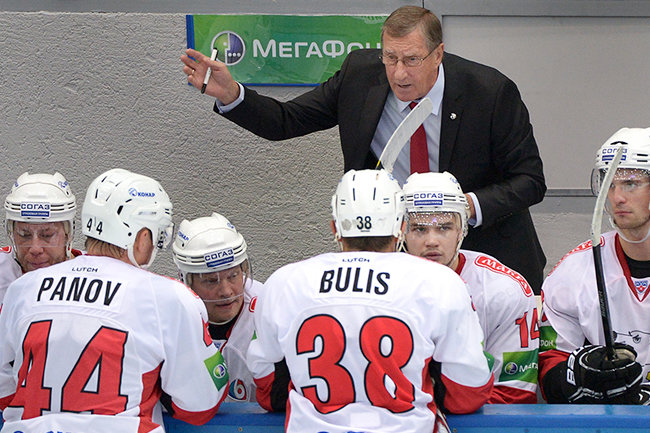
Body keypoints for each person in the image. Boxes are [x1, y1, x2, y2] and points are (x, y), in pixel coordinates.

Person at [181, 5, 547, 293]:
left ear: (438, 55)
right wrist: (232, 95)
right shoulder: (360, 75)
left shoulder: (489, 92)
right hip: (393, 259)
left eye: (412, 60)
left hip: (483, 256)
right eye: (390, 58)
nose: (399, 73)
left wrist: (462, 208)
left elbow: (530, 180)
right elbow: (286, 121)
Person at [246, 169, 493, 432]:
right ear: (401, 227)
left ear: (335, 228)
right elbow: (466, 392)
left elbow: (269, 389)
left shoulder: (284, 282)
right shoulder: (440, 281)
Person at [0, 168, 228, 432]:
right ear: (143, 236)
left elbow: (4, 388)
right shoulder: (169, 297)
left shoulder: (23, 288)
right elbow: (198, 405)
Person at [402, 171, 539, 403]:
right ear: (401, 232)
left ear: (462, 230)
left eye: (444, 228)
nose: (431, 241)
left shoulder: (505, 290)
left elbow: (514, 395)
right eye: (419, 229)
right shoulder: (379, 288)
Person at [539, 127, 650, 404]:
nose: (617, 197)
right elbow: (550, 365)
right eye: (609, 184)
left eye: (631, 183)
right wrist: (577, 377)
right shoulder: (573, 271)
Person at [172, 212, 288, 408]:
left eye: (233, 276)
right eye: (211, 281)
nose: (226, 291)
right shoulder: (169, 316)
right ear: (186, 281)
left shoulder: (270, 310)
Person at [0, 172, 82, 303]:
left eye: (47, 235)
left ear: (68, 234)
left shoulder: (96, 274)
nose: (35, 249)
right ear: (12, 233)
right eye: (24, 235)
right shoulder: (3, 270)